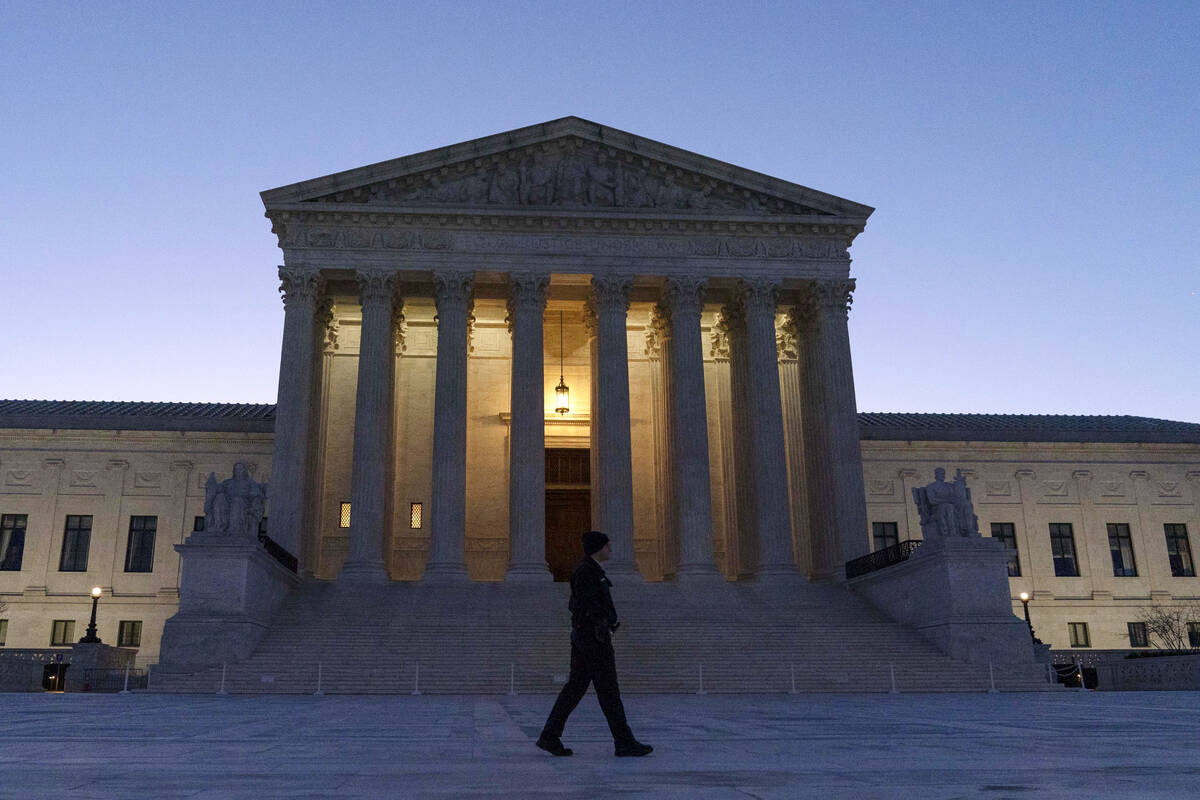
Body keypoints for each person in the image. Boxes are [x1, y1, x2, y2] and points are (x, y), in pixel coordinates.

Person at [536, 530, 653, 758]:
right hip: (592, 638)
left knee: (576, 689)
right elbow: (585, 603)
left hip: (589, 637)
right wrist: (603, 621)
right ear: (599, 548)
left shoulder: (591, 570)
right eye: (607, 545)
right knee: (608, 691)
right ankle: (624, 741)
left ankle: (550, 736)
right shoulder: (586, 571)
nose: (611, 549)